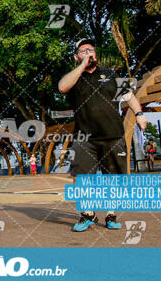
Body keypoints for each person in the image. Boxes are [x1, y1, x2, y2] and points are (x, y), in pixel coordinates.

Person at [58, 38, 148, 232]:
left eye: (91, 49)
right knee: (81, 178)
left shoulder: (111, 74)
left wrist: (139, 114)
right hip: (84, 138)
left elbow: (129, 96)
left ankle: (111, 215)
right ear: (76, 56)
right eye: (83, 51)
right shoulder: (74, 78)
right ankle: (87, 215)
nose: (89, 52)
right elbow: (62, 87)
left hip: (113, 135)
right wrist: (82, 65)